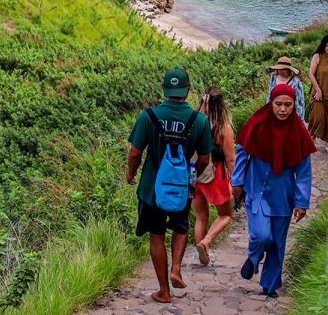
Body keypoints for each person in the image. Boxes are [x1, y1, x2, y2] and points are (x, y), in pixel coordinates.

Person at [126, 68, 213, 304]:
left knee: (156, 234)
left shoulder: (149, 116)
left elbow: (135, 153)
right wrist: (191, 175)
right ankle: (176, 269)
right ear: (188, 90)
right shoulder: (200, 121)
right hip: (182, 187)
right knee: (181, 227)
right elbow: (205, 157)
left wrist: (131, 173)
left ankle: (164, 291)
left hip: (152, 188)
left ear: (164, 89)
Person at [233, 83, 315, 298]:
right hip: (257, 189)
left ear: (294, 105)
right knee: (261, 236)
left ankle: (270, 285)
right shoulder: (257, 124)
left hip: (283, 196)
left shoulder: (299, 132)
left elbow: (304, 172)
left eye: (288, 105)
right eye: (278, 104)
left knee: (277, 243)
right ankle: (253, 258)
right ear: (271, 103)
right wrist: (237, 182)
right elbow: (242, 152)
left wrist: (302, 202)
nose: (282, 109)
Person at [192, 86, 235, 267]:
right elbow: (230, 159)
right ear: (221, 106)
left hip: (194, 174)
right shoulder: (224, 128)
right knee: (225, 214)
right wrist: (237, 182)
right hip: (216, 175)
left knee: (200, 216)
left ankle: (202, 256)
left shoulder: (193, 123)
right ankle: (207, 241)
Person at [267, 56, 306, 122]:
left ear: (289, 70)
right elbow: (269, 96)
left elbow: (300, 101)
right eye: (280, 69)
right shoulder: (273, 78)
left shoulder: (295, 81)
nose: (282, 71)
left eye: (284, 69)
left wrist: (299, 119)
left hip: (289, 113)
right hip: (276, 113)